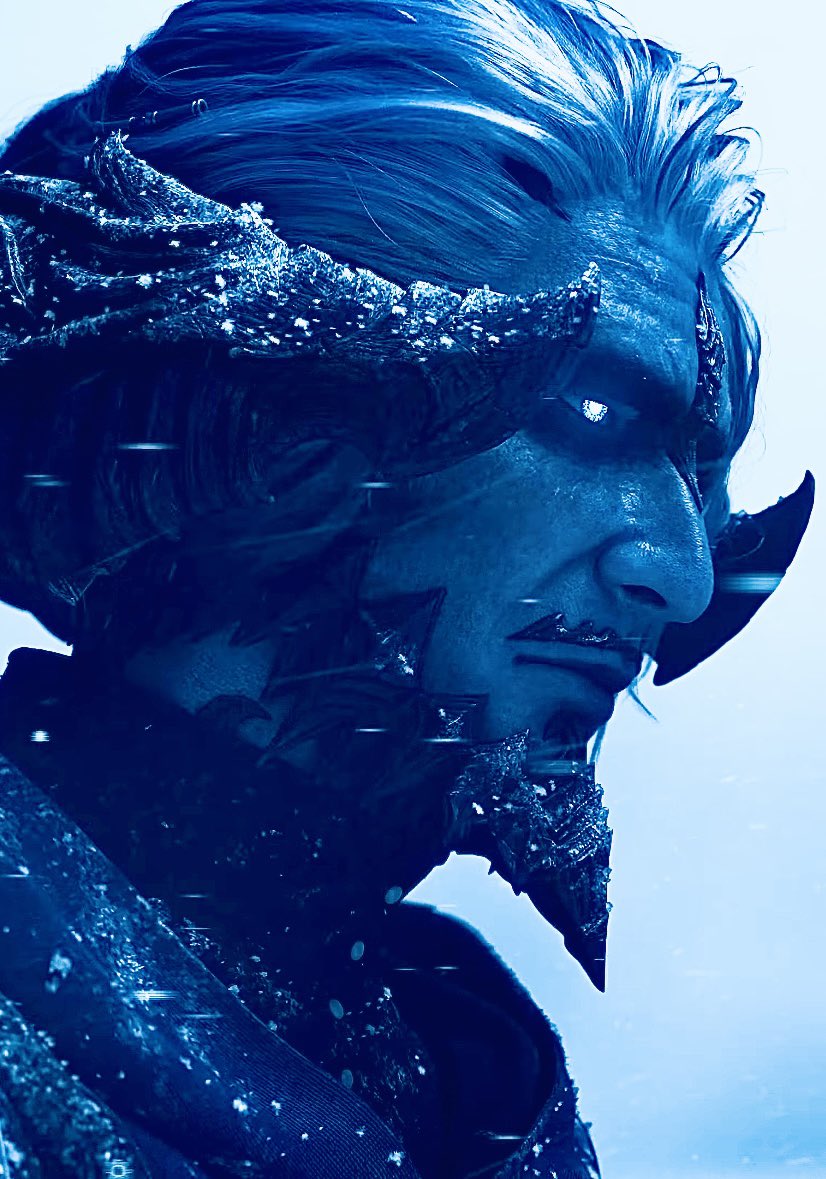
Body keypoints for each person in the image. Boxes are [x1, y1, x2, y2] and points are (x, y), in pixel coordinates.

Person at [0, 0, 814, 1175]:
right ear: (272, 397)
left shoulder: (468, 1084)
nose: (683, 581)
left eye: (698, 480)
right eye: (593, 411)